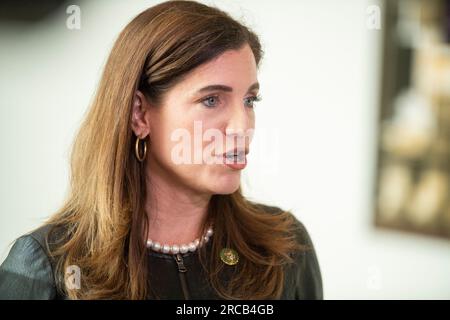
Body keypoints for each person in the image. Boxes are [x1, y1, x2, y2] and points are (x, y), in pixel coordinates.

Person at [0, 0, 323, 300]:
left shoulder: (284, 248)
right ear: (139, 114)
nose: (242, 127)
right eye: (211, 100)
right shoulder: (47, 264)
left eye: (249, 100)